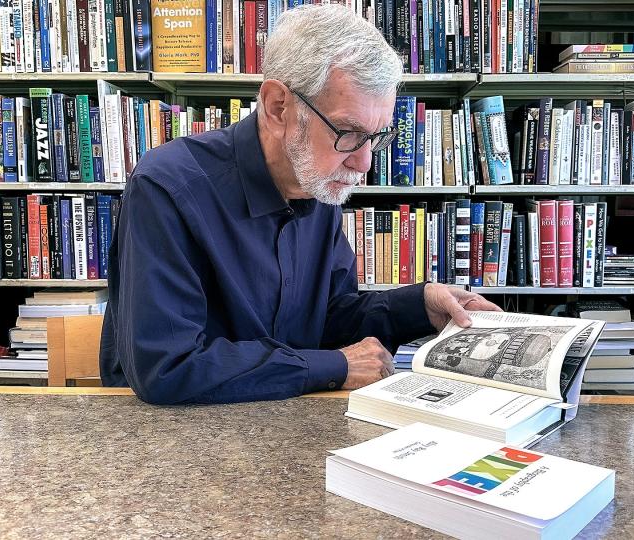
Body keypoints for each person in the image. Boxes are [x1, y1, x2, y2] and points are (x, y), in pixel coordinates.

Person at [99, 4, 500, 404]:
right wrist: (335, 366)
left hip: (287, 423)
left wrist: (419, 306)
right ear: (277, 107)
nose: (364, 163)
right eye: (348, 133)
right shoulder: (168, 186)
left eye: (378, 136)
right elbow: (168, 368)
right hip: (175, 442)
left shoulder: (317, 182)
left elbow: (331, 317)